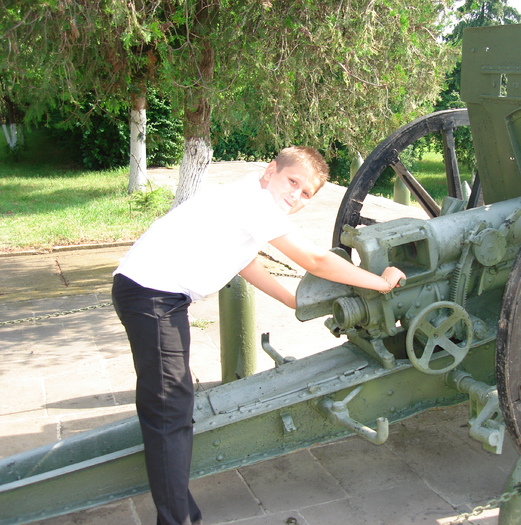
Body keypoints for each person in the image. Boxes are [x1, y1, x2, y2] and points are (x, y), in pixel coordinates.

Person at [111, 146, 406, 525]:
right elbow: (314, 260)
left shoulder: (246, 197)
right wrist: (380, 283)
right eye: (293, 182)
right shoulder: (255, 203)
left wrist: (290, 299)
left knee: (172, 408)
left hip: (154, 294)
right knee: (169, 411)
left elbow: (244, 259)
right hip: (151, 295)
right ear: (271, 171)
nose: (295, 196)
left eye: (306, 193)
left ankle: (182, 513)